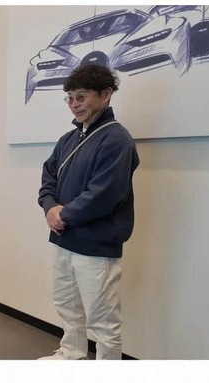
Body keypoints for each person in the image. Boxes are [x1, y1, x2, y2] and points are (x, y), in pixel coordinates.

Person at [37, 63, 139, 360]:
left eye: (81, 97)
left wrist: (62, 215)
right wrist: (49, 207)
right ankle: (72, 355)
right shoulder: (68, 139)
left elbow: (103, 194)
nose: (74, 104)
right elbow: (48, 177)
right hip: (64, 239)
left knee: (103, 319)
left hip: (97, 244)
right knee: (67, 304)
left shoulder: (116, 138)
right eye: (69, 98)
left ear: (106, 94)